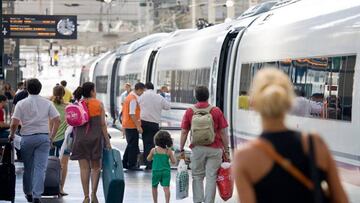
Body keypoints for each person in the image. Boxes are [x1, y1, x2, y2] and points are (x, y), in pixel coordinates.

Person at [232, 68, 348, 203]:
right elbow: (341, 199)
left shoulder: (245, 157)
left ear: (254, 103)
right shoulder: (315, 143)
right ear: (289, 102)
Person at [9, 78, 61, 203]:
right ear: (40, 89)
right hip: (43, 138)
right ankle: (37, 195)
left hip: (27, 138)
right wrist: (51, 136)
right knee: (40, 168)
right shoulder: (47, 103)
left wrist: (11, 134)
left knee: (28, 168)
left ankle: (28, 193)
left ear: (27, 89)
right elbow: (57, 120)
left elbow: (14, 123)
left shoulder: (22, 103)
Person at [179, 86, 230, 203]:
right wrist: (226, 150)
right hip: (215, 148)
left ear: (195, 96)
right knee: (211, 177)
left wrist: (181, 149)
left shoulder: (190, 111)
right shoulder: (216, 111)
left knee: (197, 176)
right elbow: (223, 132)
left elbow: (184, 131)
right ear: (208, 96)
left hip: (197, 148)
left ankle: (197, 201)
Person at [70, 82, 111, 203]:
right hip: (96, 139)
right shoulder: (98, 104)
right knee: (96, 168)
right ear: (92, 91)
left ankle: (86, 196)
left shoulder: (78, 104)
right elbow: (103, 125)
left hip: (80, 139)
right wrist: (108, 142)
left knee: (84, 169)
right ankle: (93, 194)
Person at [139, 82, 170, 169]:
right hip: (154, 124)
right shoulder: (159, 97)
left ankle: (147, 162)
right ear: (153, 88)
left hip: (144, 122)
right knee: (154, 144)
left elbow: (137, 105)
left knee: (146, 143)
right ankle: (153, 163)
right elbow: (168, 106)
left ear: (145, 88)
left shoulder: (142, 96)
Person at [48, 85, 69, 196]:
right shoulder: (68, 107)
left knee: (49, 163)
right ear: (64, 94)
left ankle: (49, 186)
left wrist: (50, 138)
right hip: (65, 140)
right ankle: (60, 189)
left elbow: (50, 124)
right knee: (64, 164)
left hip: (51, 138)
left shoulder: (50, 105)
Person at [147, 131, 176, 203]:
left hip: (156, 171)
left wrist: (153, 157)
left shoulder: (154, 150)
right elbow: (174, 161)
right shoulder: (168, 151)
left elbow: (148, 159)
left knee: (154, 187)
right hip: (166, 172)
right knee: (166, 188)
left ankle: (155, 202)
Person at [122, 82, 145, 170]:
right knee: (133, 145)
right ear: (138, 90)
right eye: (142, 91)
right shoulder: (133, 99)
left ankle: (124, 162)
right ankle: (131, 164)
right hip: (131, 125)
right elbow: (132, 114)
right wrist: (138, 126)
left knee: (130, 144)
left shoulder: (130, 97)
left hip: (128, 124)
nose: (142, 93)